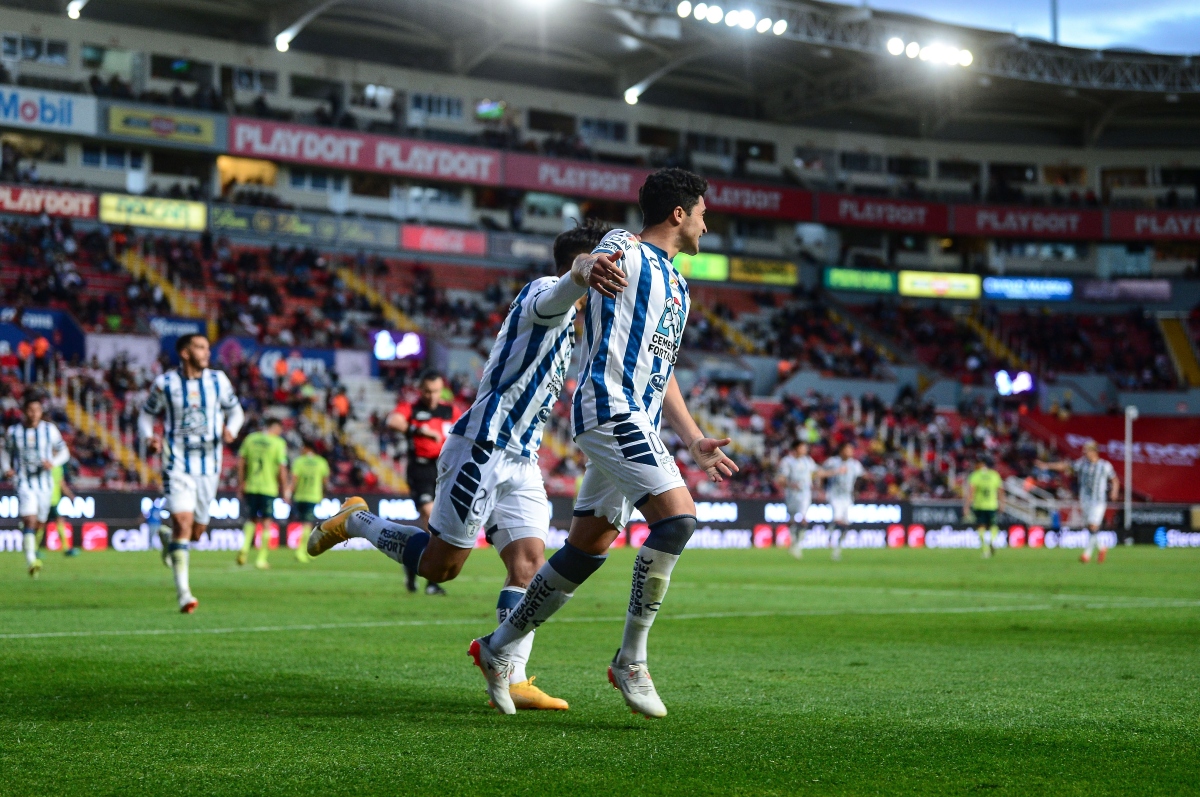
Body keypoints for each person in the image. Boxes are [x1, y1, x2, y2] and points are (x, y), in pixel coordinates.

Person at [306, 220, 623, 710]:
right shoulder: (545, 293)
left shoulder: (574, 325)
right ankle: (355, 520)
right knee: (441, 568)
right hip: (482, 447)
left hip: (522, 458)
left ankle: (512, 675)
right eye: (605, 262)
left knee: (531, 564)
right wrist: (584, 269)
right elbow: (567, 282)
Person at [470, 168, 736, 718]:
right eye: (704, 215)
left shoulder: (680, 288)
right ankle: (630, 661)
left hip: (638, 414)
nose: (708, 228)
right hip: (608, 407)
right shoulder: (626, 248)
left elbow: (662, 372)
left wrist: (692, 438)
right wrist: (585, 266)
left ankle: (497, 648)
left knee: (587, 547)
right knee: (678, 519)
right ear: (679, 214)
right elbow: (592, 261)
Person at [139, 334, 244, 613]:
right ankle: (184, 594)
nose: (206, 352)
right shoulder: (165, 384)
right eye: (200, 347)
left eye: (208, 348)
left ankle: (166, 539)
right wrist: (150, 436)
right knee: (183, 524)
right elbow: (145, 415)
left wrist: (231, 429)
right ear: (185, 353)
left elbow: (236, 412)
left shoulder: (218, 381)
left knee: (195, 533)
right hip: (176, 463)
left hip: (209, 466)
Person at [385, 370, 460, 595]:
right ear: (421, 390)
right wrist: (419, 431)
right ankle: (432, 580)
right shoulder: (412, 408)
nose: (431, 395)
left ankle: (412, 566)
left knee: (434, 525)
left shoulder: (450, 410)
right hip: (421, 470)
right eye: (427, 391)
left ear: (441, 389)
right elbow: (393, 421)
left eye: (435, 391)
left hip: (446, 469)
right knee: (431, 516)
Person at [2, 394, 70, 578]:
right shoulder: (14, 432)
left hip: (45, 485)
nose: (34, 414)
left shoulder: (50, 430)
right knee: (31, 520)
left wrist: (53, 462)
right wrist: (7, 468)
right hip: (23, 482)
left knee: (39, 523)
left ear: (41, 412)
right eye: (30, 410)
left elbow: (64, 451)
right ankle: (31, 561)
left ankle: (29, 537)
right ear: (24, 411)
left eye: (37, 410)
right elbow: (5, 453)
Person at [1036, 441, 1118, 564]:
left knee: (1093, 525)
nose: (1085, 453)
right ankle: (1101, 547)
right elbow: (1065, 466)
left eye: (1088, 451)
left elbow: (1115, 480)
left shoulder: (1105, 466)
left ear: (1094, 451)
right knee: (1089, 526)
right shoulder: (1082, 464)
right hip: (1085, 500)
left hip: (1098, 500)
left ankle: (1087, 554)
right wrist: (1047, 465)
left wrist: (1114, 491)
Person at [236, 417, 290, 570]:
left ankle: (245, 548)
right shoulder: (278, 443)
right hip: (268, 488)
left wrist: (241, 483)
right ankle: (261, 558)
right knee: (266, 522)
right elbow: (281, 468)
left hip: (251, 485)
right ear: (274, 427)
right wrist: (284, 487)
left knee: (251, 520)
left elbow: (241, 463)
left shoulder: (250, 439)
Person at [819, 441, 864, 562]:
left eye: (851, 450)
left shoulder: (855, 464)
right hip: (834, 495)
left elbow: (860, 479)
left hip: (847, 497)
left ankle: (837, 549)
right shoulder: (832, 462)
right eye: (848, 449)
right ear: (841, 451)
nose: (850, 452)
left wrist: (856, 490)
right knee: (838, 519)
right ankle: (829, 536)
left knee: (846, 524)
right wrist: (821, 489)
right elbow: (820, 474)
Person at [290, 439, 330, 563]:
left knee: (302, 522)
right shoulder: (321, 462)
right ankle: (301, 551)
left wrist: (289, 493)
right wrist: (323, 494)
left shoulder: (299, 461)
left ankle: (304, 550)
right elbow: (325, 481)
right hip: (312, 496)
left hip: (299, 496)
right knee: (307, 524)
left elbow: (294, 479)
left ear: (307, 448)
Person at [777, 440, 818, 558]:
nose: (805, 450)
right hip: (791, 494)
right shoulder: (787, 461)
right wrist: (790, 484)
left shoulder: (808, 461)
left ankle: (797, 545)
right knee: (791, 519)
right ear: (796, 448)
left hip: (805, 494)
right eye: (803, 447)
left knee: (804, 519)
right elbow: (781, 479)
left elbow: (815, 473)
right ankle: (793, 540)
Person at [964, 455, 1004, 559]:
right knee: (993, 525)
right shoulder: (994, 475)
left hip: (979, 506)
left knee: (981, 527)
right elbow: (1000, 491)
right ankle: (992, 540)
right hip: (992, 505)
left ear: (980, 464)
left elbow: (971, 493)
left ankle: (985, 549)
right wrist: (1002, 503)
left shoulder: (975, 476)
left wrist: (966, 507)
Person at [47, 463, 81, 557]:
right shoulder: (53, 466)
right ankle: (66, 548)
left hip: (52, 500)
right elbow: (62, 483)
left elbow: (61, 483)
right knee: (57, 520)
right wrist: (70, 495)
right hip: (49, 499)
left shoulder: (56, 467)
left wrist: (70, 495)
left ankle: (34, 549)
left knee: (43, 524)